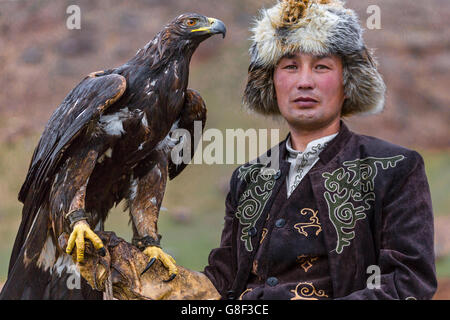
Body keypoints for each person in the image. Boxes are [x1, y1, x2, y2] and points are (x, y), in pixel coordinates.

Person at [200, 0, 437, 300]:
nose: (304, 82)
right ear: (272, 83)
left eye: (321, 66)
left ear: (347, 82)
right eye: (290, 66)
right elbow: (222, 280)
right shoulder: (247, 178)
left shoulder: (396, 169)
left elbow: (408, 283)